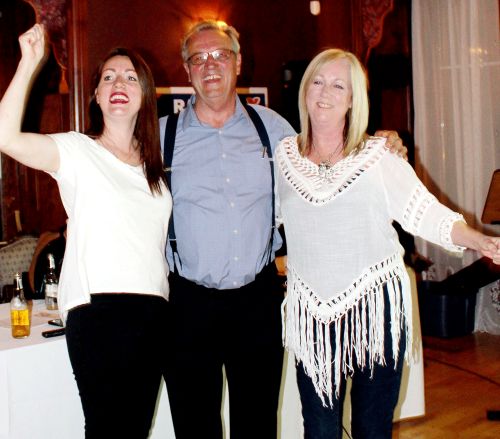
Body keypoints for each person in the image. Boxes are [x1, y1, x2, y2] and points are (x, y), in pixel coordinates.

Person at [159, 19, 407, 439]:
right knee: (193, 426)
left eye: (220, 55)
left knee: (257, 424)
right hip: (187, 303)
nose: (210, 66)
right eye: (198, 59)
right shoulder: (161, 135)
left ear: (238, 63)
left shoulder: (275, 130)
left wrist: (380, 143)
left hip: (256, 302)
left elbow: (330, 158)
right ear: (186, 71)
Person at [274, 48, 500, 439]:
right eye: (318, 81)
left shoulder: (377, 155)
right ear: (305, 90)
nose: (325, 92)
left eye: (338, 85)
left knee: (371, 428)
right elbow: (274, 218)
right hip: (311, 310)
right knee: (320, 429)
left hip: (375, 306)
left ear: (353, 100)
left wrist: (478, 239)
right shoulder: (284, 155)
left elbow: (424, 211)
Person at [0, 24, 171, 438]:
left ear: (145, 95)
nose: (119, 83)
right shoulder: (78, 150)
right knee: (108, 429)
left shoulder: (154, 168)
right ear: (95, 95)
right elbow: (5, 138)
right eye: (108, 77)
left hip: (153, 310)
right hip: (98, 310)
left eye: (131, 77)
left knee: (134, 430)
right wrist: (28, 65)